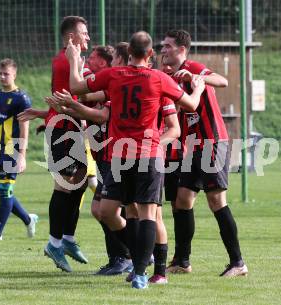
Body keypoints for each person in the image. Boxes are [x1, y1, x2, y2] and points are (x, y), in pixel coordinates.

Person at [65, 31, 205, 289]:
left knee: (134, 213)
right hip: (147, 156)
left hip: (121, 156)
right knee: (145, 214)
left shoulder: (113, 75)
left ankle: (146, 269)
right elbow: (192, 105)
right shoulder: (159, 78)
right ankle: (140, 271)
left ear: (129, 52)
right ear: (150, 54)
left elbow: (76, 87)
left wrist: (74, 59)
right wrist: (199, 88)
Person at [160, 29, 248, 277]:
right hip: (193, 147)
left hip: (213, 143)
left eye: (167, 46)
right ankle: (182, 261)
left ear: (181, 49)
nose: (163, 50)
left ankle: (238, 262)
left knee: (216, 201)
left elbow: (223, 81)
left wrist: (197, 76)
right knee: (182, 200)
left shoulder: (193, 67)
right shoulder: (170, 77)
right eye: (162, 46)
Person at [48, 43, 134, 276]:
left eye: (95, 57)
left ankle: (133, 256)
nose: (90, 58)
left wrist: (75, 62)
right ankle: (127, 256)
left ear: (113, 62)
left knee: (120, 210)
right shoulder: (111, 83)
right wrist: (55, 111)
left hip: (119, 156)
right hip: (108, 156)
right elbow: (86, 103)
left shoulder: (116, 83)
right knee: (107, 209)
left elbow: (96, 111)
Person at [19, 16, 91, 272]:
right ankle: (54, 243)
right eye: (84, 33)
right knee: (63, 186)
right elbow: (78, 92)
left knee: (81, 179)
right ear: (71, 37)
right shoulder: (66, 60)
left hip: (69, 126)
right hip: (62, 129)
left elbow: (65, 99)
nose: (88, 38)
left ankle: (68, 240)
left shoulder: (71, 60)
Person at [0, 58, 38, 241]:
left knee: (5, 190)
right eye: (0, 73)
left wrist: (22, 155)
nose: (2, 76)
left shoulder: (21, 98)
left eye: (6, 73)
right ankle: (28, 219)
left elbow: (25, 128)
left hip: (11, 150)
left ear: (14, 74)